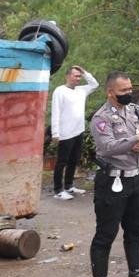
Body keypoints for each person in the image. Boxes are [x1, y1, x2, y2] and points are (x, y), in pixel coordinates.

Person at [89, 71, 139, 277]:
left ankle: (136, 274)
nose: (129, 94)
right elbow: (108, 146)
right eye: (123, 91)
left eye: (130, 90)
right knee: (106, 234)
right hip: (112, 181)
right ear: (110, 92)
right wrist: (138, 139)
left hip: (136, 178)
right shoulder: (101, 118)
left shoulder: (135, 110)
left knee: (136, 229)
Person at [50, 65, 99, 200]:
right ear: (68, 76)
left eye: (79, 76)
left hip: (78, 131)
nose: (78, 79)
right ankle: (58, 190)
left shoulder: (81, 90)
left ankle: (69, 185)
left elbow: (95, 84)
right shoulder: (60, 91)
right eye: (76, 76)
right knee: (62, 162)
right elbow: (56, 113)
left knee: (74, 160)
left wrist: (84, 72)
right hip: (65, 133)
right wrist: (55, 133)